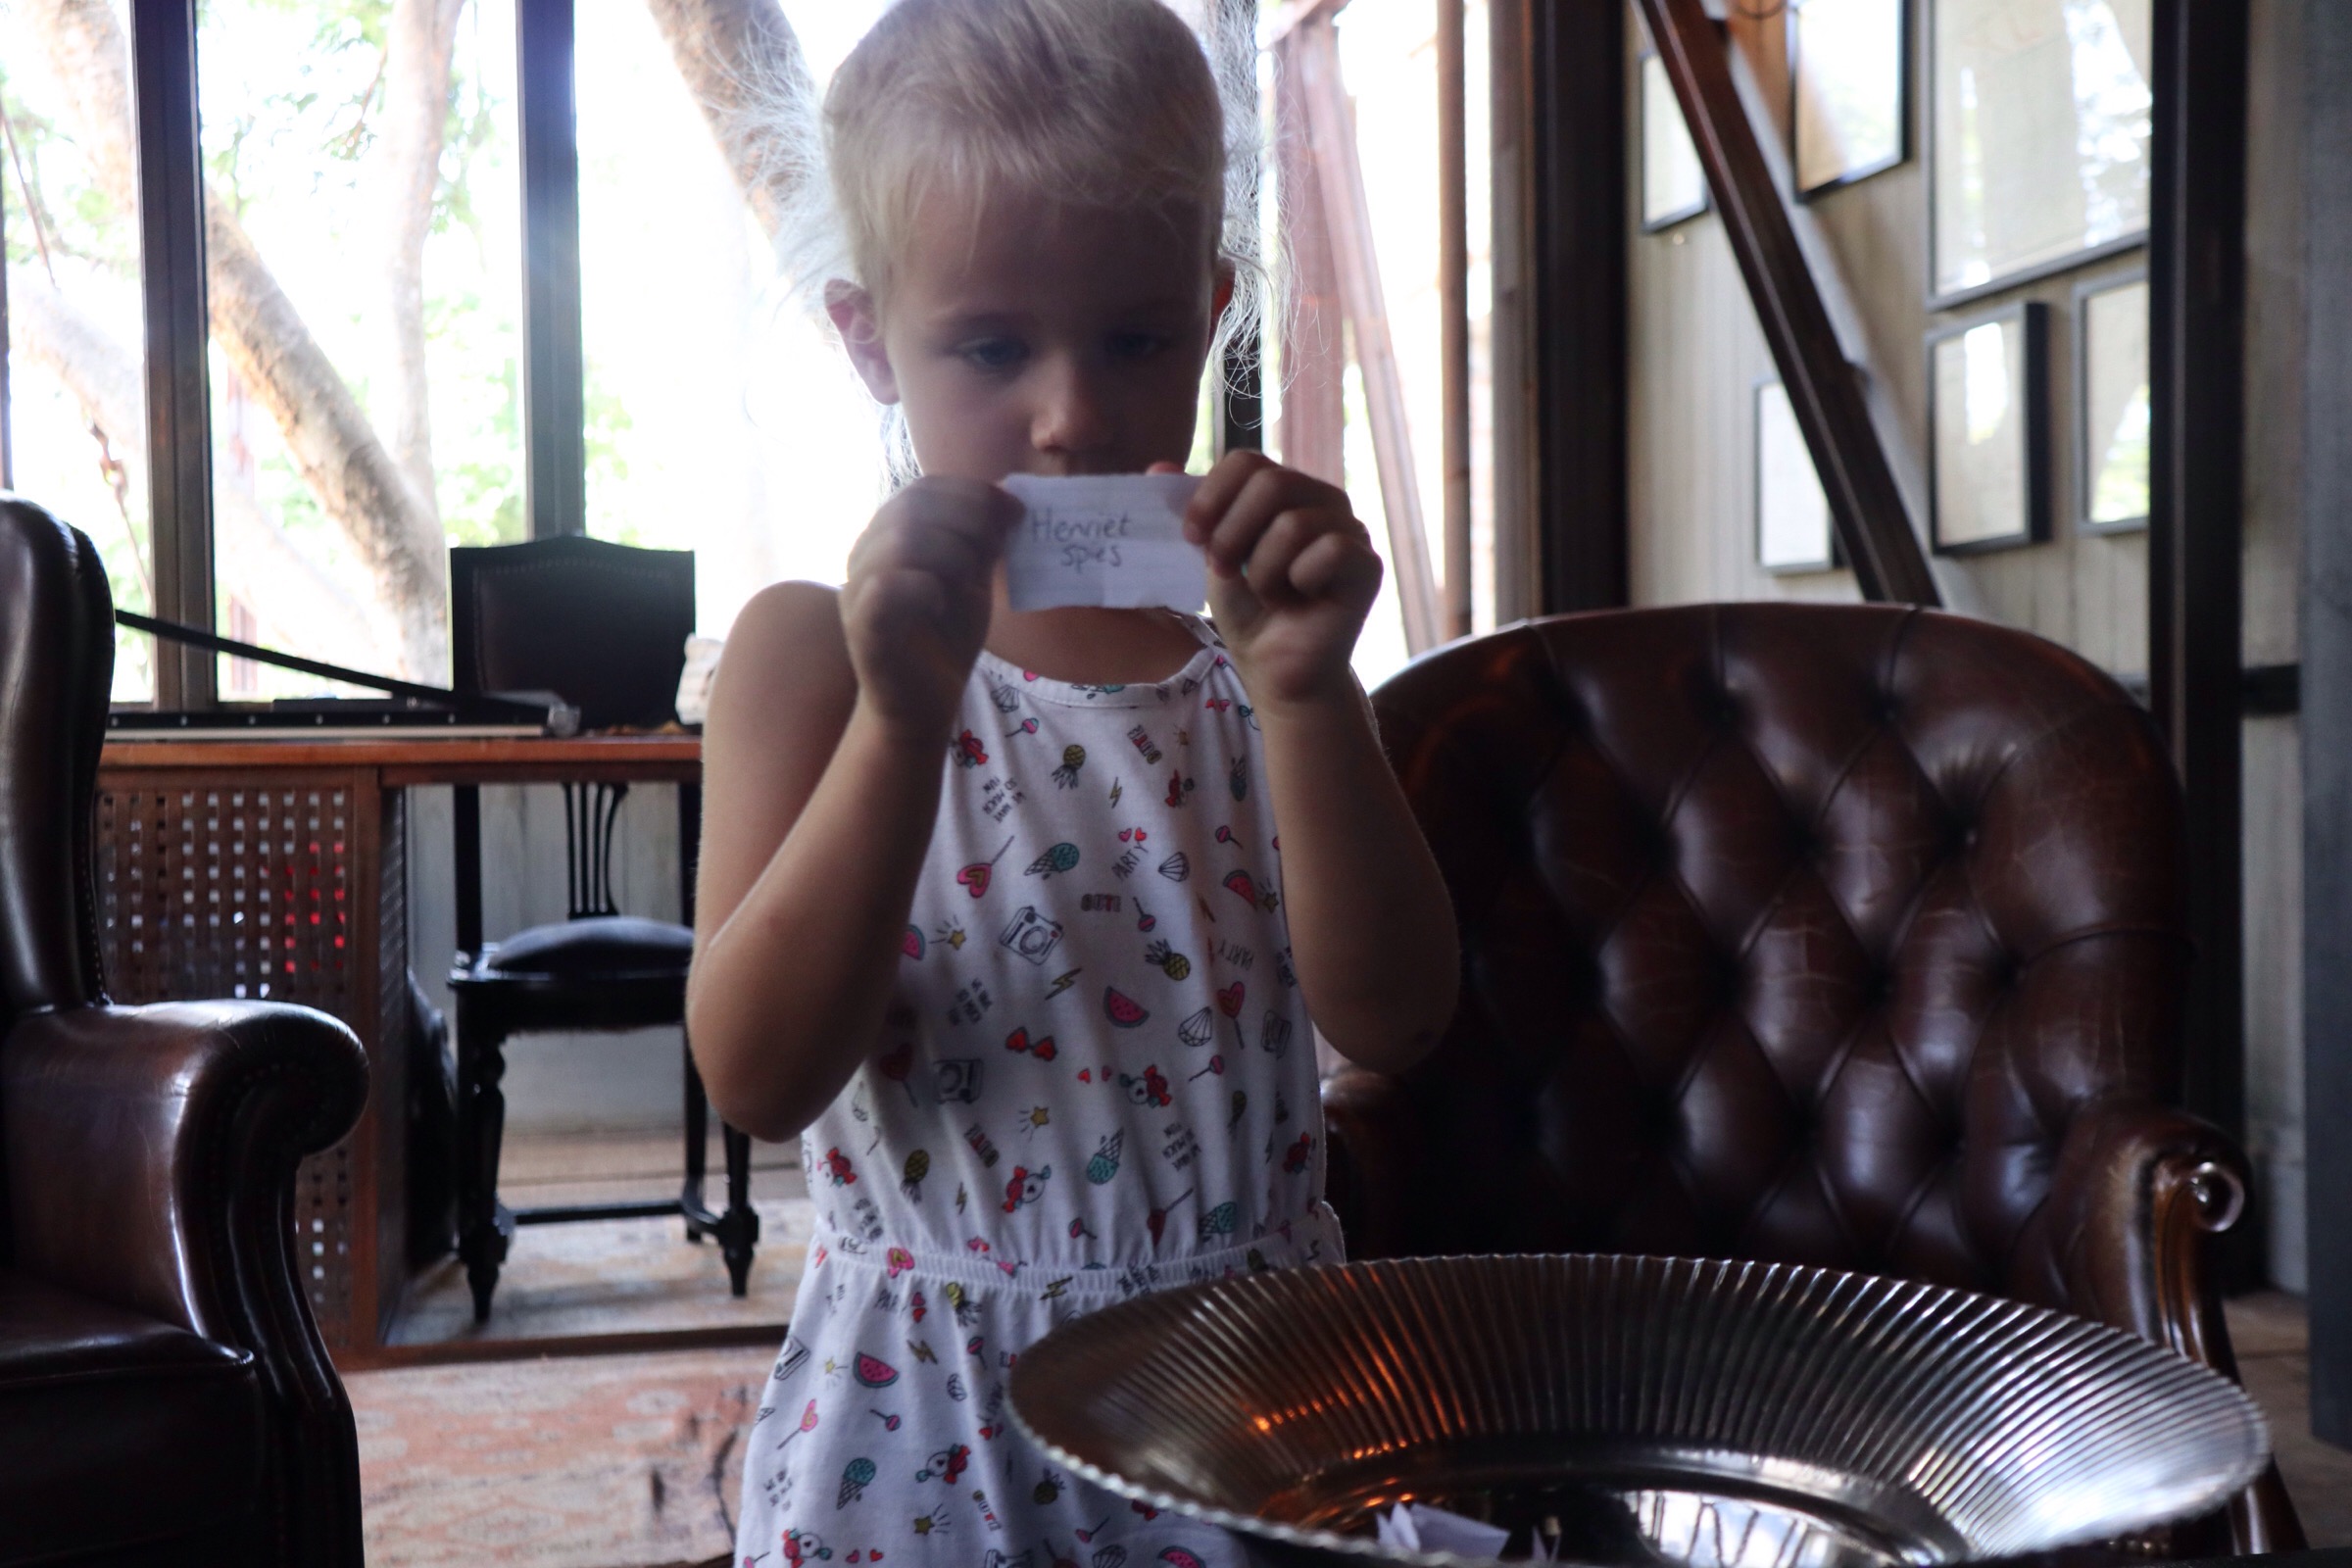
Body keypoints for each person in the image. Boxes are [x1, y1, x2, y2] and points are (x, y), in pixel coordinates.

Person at [688, 1, 1459, 1562]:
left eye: (1136, 339)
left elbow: (1396, 1020)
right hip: (934, 1430)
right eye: (992, 347)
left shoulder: (1254, 669)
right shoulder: (810, 659)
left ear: (1213, 310)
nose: (1072, 413)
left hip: (1250, 1406)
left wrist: (1311, 691)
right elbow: (758, 1079)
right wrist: (902, 723)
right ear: (870, 341)